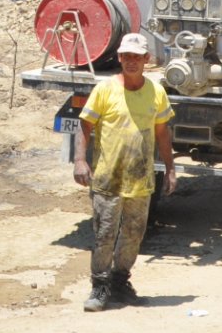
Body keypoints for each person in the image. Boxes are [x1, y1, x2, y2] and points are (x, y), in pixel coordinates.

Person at [72, 32, 175, 311]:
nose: (131, 62)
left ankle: (120, 282)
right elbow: (85, 126)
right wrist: (80, 161)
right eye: (126, 57)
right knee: (105, 234)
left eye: (136, 57)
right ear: (119, 58)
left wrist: (170, 169)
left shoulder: (156, 92)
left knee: (133, 234)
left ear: (146, 60)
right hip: (108, 178)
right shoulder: (105, 89)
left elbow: (163, 133)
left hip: (140, 180)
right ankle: (100, 287)